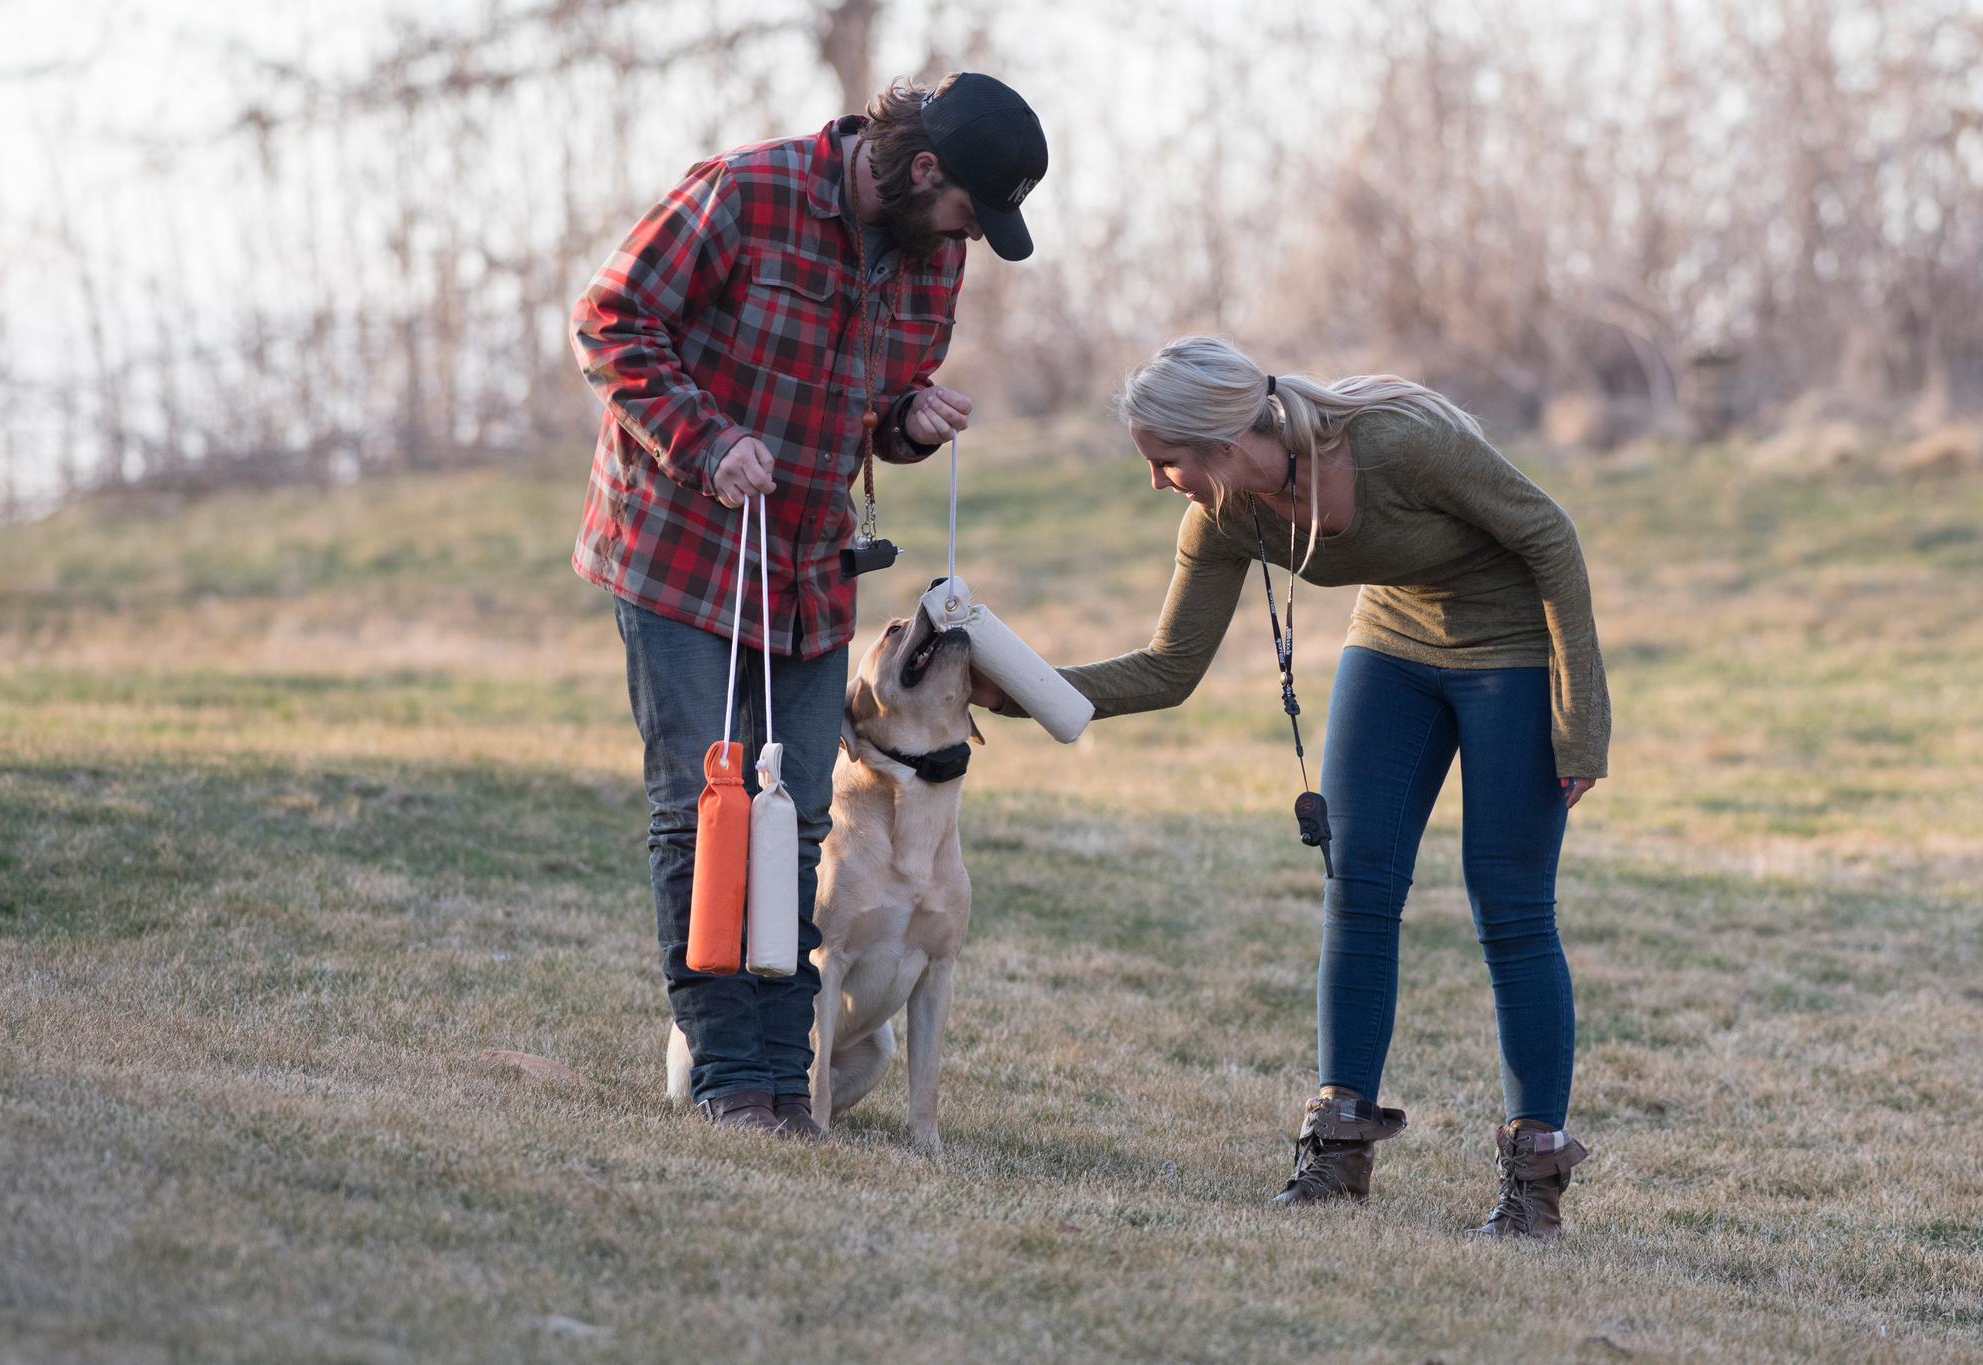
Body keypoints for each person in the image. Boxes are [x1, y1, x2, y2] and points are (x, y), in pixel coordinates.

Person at [976, 335, 1610, 1239]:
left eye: (1166, 462)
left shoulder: (1396, 442)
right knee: (1358, 883)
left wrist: (1579, 715)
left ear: (1223, 439)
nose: (1158, 482)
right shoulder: (1229, 511)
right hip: (1393, 642)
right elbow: (1170, 666)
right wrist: (1018, 688)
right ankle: (1338, 1153)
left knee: (1509, 906)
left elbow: (1550, 533)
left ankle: (1534, 1184)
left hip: (1509, 645)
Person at [570, 73, 1046, 1138]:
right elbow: (609, 319)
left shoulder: (937, 255)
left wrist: (912, 420)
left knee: (802, 818)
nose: (969, 235)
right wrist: (706, 440)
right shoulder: (746, 194)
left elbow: (876, 409)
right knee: (710, 812)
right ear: (926, 172)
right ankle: (730, 1073)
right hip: (680, 547)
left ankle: (790, 1073)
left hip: (809, 572)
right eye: (972, 208)